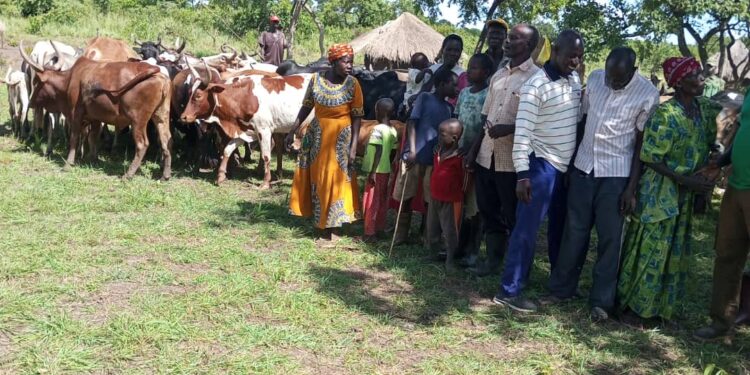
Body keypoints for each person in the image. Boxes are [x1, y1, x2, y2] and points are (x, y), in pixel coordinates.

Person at [544, 47, 660, 322]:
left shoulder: (647, 94)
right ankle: (561, 290)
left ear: (633, 71)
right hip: (584, 167)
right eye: (610, 75)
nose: (612, 82)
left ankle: (601, 302)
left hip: (616, 176)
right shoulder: (595, 79)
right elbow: (582, 122)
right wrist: (572, 164)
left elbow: (640, 146)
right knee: (574, 232)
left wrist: (631, 188)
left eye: (619, 79)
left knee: (610, 240)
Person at [617, 57, 722, 326]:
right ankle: (633, 309)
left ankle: (660, 309)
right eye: (695, 75)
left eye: (701, 74)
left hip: (686, 194)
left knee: (674, 250)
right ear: (679, 82)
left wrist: (704, 185)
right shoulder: (666, 115)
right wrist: (687, 181)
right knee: (650, 250)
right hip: (660, 191)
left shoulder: (704, 111)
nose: (702, 79)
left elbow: (713, 143)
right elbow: (650, 156)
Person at [492, 30, 584, 313]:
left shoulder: (574, 79)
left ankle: (558, 285)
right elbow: (522, 133)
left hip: (563, 168)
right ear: (554, 50)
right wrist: (523, 174)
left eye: (579, 57)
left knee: (558, 228)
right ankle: (509, 291)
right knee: (526, 230)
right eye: (570, 55)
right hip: (539, 165)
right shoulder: (536, 85)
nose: (575, 61)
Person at [465, 24, 541, 277]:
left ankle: (517, 267)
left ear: (529, 46)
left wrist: (510, 127)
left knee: (513, 214)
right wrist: (474, 151)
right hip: (487, 155)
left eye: (516, 38)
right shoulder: (498, 76)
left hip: (513, 160)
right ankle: (493, 260)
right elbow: (484, 116)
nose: (508, 41)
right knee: (489, 211)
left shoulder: (537, 78)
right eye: (509, 37)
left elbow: (540, 121)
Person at [287, 44, 363, 242]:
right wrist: (292, 130)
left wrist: (354, 147)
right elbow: (306, 107)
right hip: (318, 137)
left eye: (351, 62)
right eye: (345, 62)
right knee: (319, 179)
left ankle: (335, 229)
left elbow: (357, 118)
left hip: (341, 139)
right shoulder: (315, 80)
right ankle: (321, 224)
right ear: (334, 61)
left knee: (336, 179)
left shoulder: (353, 84)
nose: (349, 66)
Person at [694, 85, 750, 341]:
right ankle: (721, 322)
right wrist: (722, 162)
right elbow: (741, 130)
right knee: (727, 254)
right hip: (737, 186)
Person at [391, 69, 459, 245]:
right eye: (454, 85)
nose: (457, 89)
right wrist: (412, 150)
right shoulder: (425, 98)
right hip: (413, 155)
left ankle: (428, 236)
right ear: (442, 84)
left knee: (431, 200)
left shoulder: (449, 109)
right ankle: (400, 235)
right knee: (406, 195)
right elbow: (412, 122)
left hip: (433, 160)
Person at [454, 53, 492, 267]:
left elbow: (485, 128)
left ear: (486, 73)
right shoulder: (464, 93)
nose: (469, 71)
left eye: (475, 68)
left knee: (474, 205)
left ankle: (473, 250)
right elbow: (456, 119)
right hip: (458, 154)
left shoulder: (488, 95)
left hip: (477, 157)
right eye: (469, 67)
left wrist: (471, 150)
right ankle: (457, 245)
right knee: (459, 200)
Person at [427, 119, 466, 271]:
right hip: (435, 196)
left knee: (450, 231)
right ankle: (433, 253)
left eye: (442, 135)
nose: (438, 137)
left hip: (451, 199)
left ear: (455, 138)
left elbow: (464, 179)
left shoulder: (460, 157)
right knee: (432, 227)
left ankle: (450, 259)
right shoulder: (438, 151)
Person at [361, 98, 398, 243]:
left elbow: (378, 149)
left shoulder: (378, 129)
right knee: (382, 200)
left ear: (378, 112)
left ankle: (369, 233)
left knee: (371, 201)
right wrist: (387, 164)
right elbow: (393, 151)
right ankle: (379, 228)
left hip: (376, 171)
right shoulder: (392, 130)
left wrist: (373, 171)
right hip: (386, 170)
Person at [417, 35, 468, 107]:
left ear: (460, 53)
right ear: (442, 50)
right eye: (449, 49)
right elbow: (423, 90)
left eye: (456, 51)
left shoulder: (462, 76)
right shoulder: (433, 68)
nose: (452, 53)